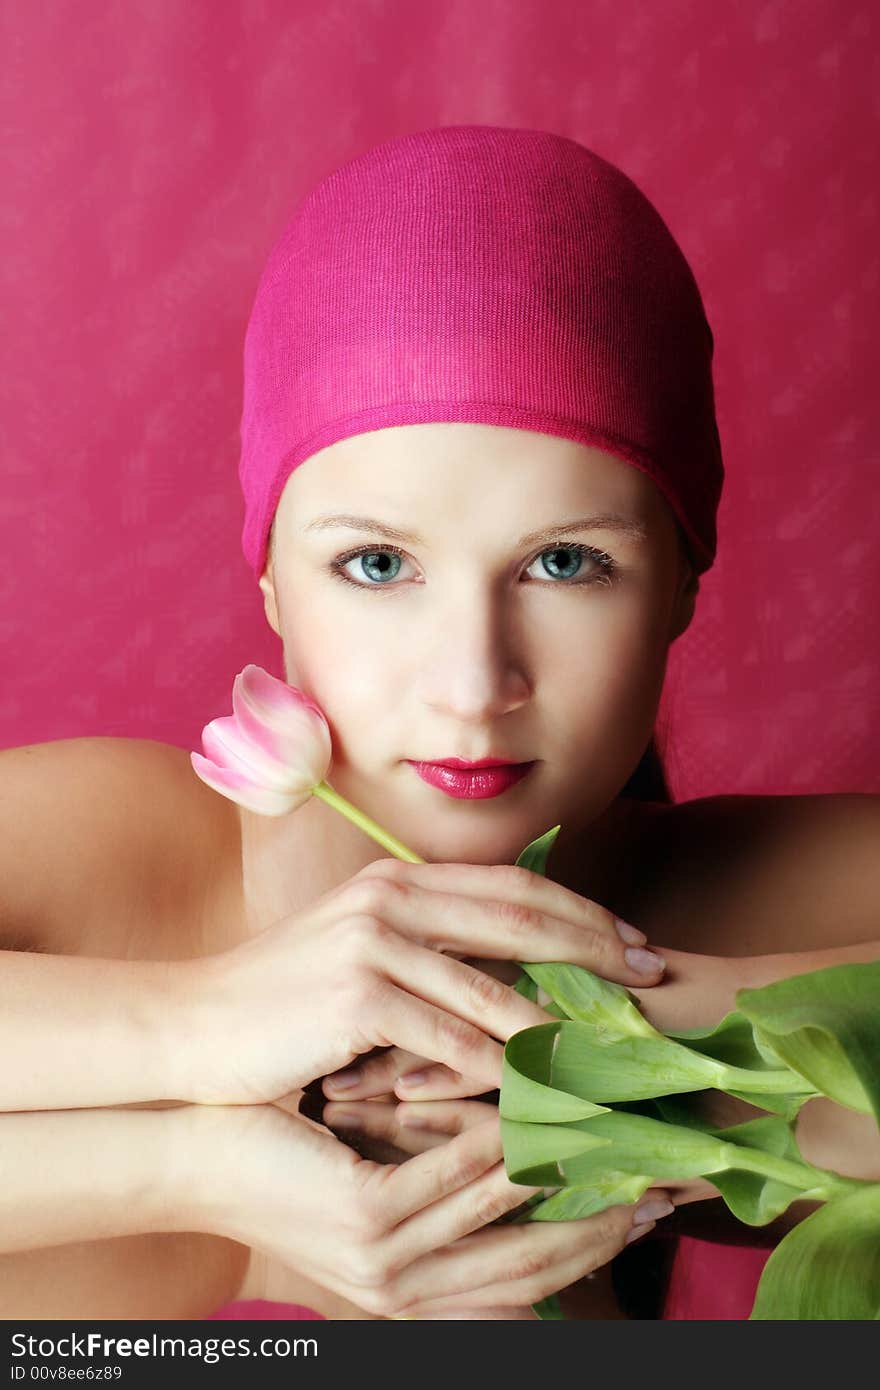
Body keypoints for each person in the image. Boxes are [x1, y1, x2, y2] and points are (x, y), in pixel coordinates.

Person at [1, 126, 878, 1322]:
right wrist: (201, 1040)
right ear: (270, 585)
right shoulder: (119, 850)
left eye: (565, 562)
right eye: (374, 563)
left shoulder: (758, 894)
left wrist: (664, 1021)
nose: (473, 683)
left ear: (682, 580)